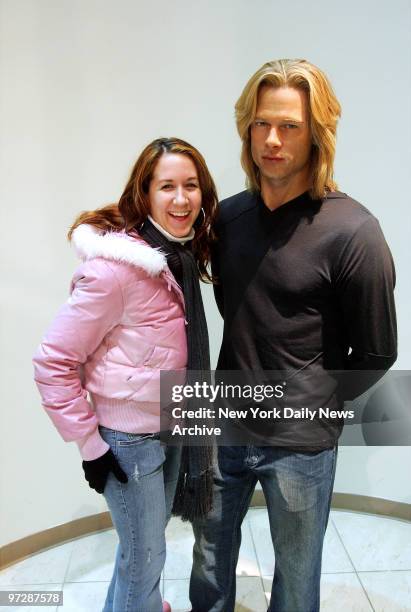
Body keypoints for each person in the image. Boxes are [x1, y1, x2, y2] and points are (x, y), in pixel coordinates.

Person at [189, 60, 397, 612]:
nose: (272, 140)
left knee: (297, 581)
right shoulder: (227, 219)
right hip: (223, 423)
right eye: (261, 124)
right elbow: (234, 307)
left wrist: (314, 401)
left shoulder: (354, 232)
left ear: (318, 133)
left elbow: (377, 351)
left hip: (300, 445)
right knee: (209, 563)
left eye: (290, 126)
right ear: (246, 129)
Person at [33, 137, 218, 612]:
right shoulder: (118, 269)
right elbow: (52, 362)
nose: (181, 199)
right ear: (145, 193)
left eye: (191, 185)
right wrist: (91, 447)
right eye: (167, 187)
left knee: (140, 550)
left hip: (168, 424)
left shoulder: (179, 257)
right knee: (146, 559)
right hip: (131, 441)